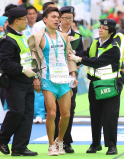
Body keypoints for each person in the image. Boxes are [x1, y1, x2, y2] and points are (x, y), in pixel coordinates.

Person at [27, 7, 77, 156]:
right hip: (48, 80)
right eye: (53, 17)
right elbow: (33, 60)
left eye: (58, 17)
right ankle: (51, 145)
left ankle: (59, 140)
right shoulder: (37, 37)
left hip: (63, 79)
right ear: (45, 19)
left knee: (66, 114)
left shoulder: (64, 36)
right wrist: (35, 77)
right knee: (52, 113)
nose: (57, 19)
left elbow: (69, 56)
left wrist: (73, 74)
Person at [68, 19, 122, 155]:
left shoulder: (114, 47)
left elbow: (98, 62)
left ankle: (111, 145)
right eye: (100, 27)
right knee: (95, 115)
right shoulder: (95, 42)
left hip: (110, 84)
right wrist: (72, 52)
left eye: (104, 28)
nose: (100, 30)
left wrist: (78, 59)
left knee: (110, 116)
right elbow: (87, 53)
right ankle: (95, 143)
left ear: (111, 32)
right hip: (95, 84)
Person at [0, 7, 38, 156]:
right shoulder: (6, 39)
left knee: (27, 114)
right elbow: (5, 63)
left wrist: (32, 73)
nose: (27, 21)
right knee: (17, 111)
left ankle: (20, 146)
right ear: (16, 21)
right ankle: (2, 138)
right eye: (24, 19)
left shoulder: (21, 36)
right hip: (14, 81)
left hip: (26, 81)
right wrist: (22, 69)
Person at [54, 6, 83, 154]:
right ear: (59, 18)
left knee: (69, 109)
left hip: (71, 77)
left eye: (70, 19)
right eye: (64, 18)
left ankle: (66, 141)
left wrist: (74, 55)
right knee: (54, 110)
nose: (67, 21)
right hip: (54, 76)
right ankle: (54, 140)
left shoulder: (77, 35)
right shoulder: (52, 34)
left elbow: (82, 56)